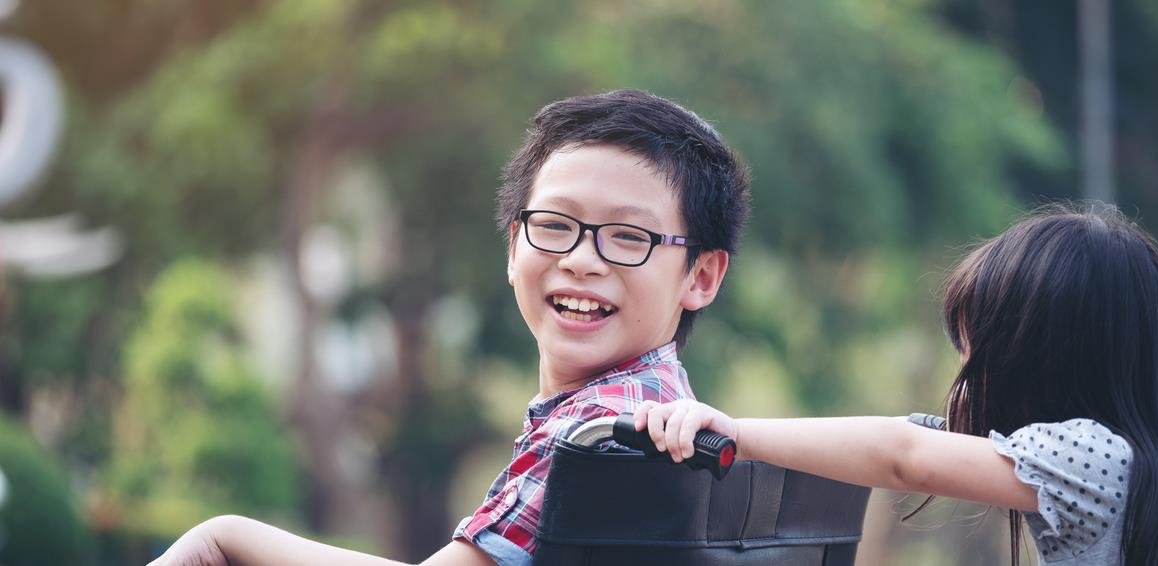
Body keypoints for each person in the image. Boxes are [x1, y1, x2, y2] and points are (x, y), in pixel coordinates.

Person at [147, 89, 751, 566]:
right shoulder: (668, 410)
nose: (580, 258)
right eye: (556, 224)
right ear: (514, 247)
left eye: (627, 237)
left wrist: (228, 537)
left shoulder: (601, 431)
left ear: (701, 275)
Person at [636, 205, 1158, 565]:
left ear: (1046, 359)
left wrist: (736, 434)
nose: (966, 373)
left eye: (975, 350)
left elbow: (907, 458)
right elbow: (914, 437)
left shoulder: (1098, 460)